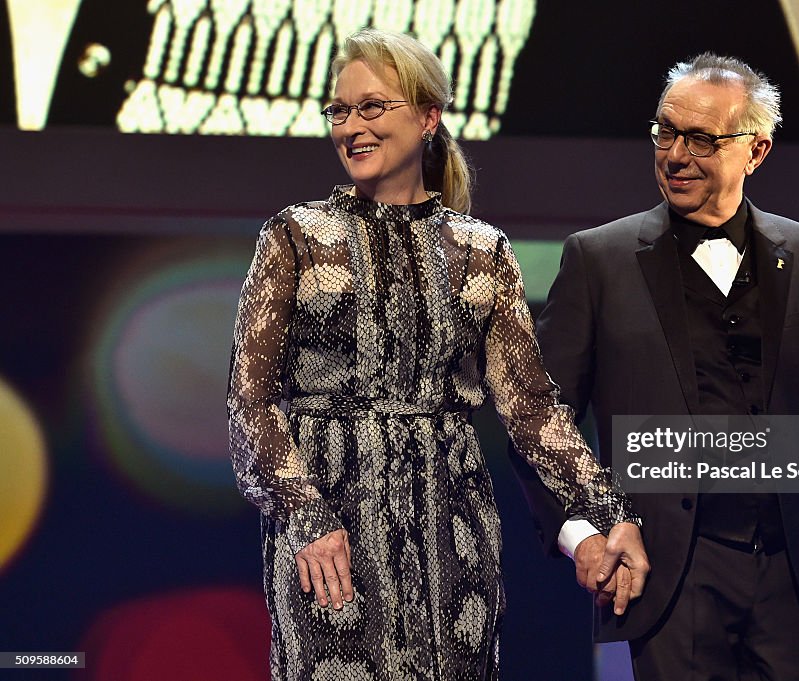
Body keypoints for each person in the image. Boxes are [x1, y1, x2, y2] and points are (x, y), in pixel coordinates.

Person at [226, 28, 649, 681]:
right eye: (339, 111)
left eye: (372, 107)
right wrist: (308, 516)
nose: (351, 126)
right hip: (328, 538)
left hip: (452, 540)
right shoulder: (294, 237)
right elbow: (250, 401)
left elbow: (532, 409)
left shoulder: (483, 249)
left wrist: (608, 511)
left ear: (428, 117)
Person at [510, 53, 799, 680]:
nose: (675, 154)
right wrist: (582, 533)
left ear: (756, 151)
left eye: (701, 139)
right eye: (666, 131)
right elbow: (536, 419)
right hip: (668, 577)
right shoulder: (599, 260)